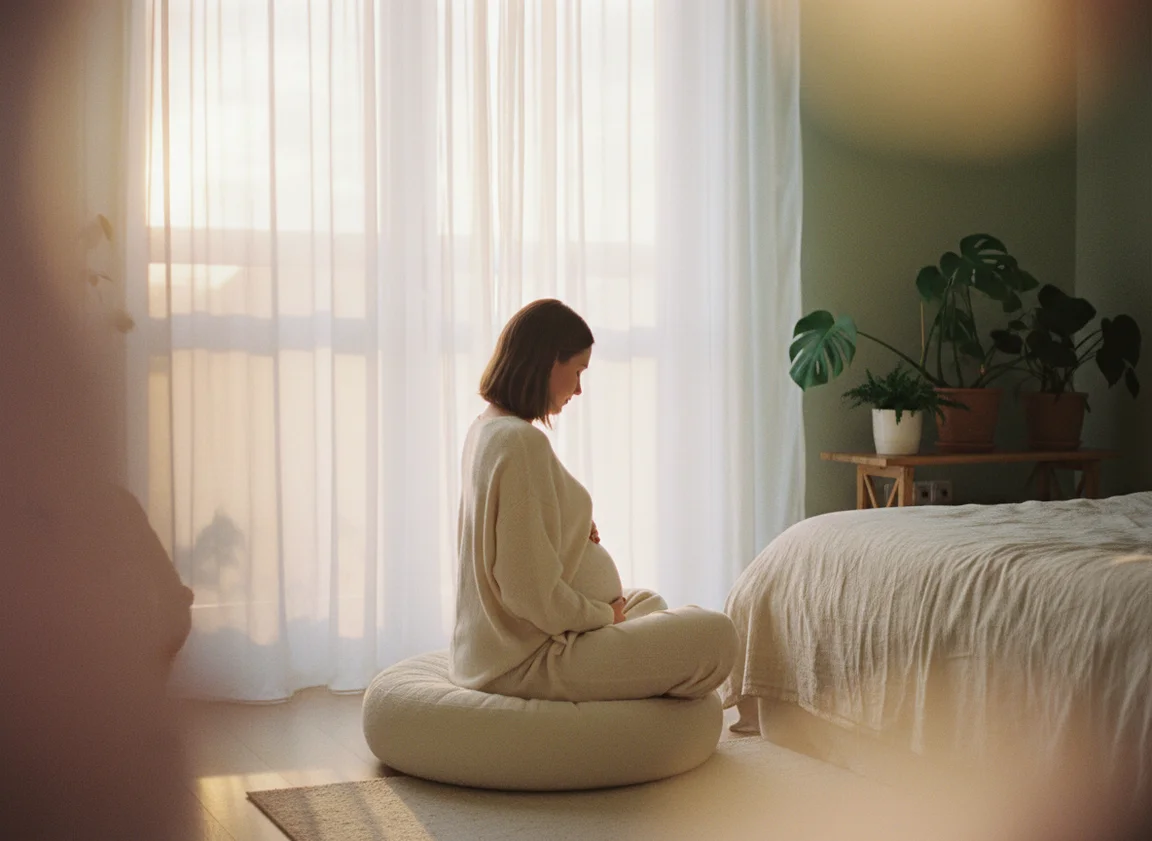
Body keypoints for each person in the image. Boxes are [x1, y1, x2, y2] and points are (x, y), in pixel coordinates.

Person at [449, 298, 738, 703]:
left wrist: (570, 529)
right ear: (550, 361)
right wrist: (605, 615)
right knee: (716, 633)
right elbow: (526, 591)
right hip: (528, 658)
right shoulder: (519, 442)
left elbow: (508, 542)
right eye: (578, 371)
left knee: (649, 602)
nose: (579, 389)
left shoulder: (486, 429)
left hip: (515, 642)